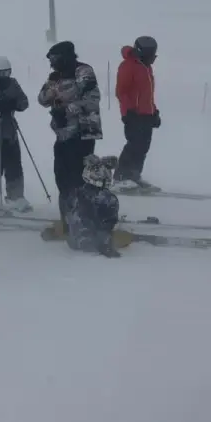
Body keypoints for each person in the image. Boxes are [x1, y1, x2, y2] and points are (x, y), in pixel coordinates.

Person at [38, 41, 103, 240]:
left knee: (78, 178)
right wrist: (51, 88)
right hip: (63, 134)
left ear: (65, 57)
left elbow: (92, 100)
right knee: (62, 178)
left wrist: (66, 110)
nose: (52, 64)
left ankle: (83, 221)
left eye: (55, 59)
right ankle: (68, 220)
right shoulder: (56, 76)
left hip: (83, 132)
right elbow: (42, 100)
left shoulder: (83, 71)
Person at [0, 55, 31, 212]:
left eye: (6, 73)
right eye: (0, 73)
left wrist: (14, 103)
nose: (4, 77)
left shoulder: (12, 84)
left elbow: (24, 102)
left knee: (14, 164)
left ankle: (15, 197)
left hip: (9, 131)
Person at [114, 36, 160, 191]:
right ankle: (121, 177)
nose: (152, 59)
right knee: (134, 145)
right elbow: (122, 91)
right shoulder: (128, 66)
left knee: (143, 147)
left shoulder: (146, 67)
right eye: (150, 56)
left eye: (153, 56)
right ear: (140, 53)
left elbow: (147, 94)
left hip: (146, 114)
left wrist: (154, 111)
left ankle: (134, 175)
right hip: (133, 114)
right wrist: (128, 111)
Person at [64, 155, 121, 258]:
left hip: (76, 238)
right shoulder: (107, 199)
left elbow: (68, 211)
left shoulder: (76, 193)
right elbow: (109, 222)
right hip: (92, 241)